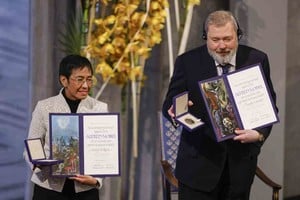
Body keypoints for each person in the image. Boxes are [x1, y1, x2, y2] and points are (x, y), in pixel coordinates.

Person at [162, 10, 278, 200]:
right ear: (205, 37)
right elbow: (170, 102)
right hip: (197, 166)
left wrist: (259, 134)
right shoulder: (187, 62)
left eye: (227, 39)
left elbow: (269, 105)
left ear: (238, 36)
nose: (222, 46)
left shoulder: (257, 59)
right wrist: (175, 111)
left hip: (239, 168)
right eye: (215, 40)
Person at [24, 55, 108, 200]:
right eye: (80, 79)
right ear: (64, 80)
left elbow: (105, 150)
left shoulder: (99, 108)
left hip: (85, 189)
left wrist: (96, 180)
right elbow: (32, 144)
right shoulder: (45, 107)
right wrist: (37, 164)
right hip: (48, 187)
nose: (86, 85)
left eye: (89, 79)